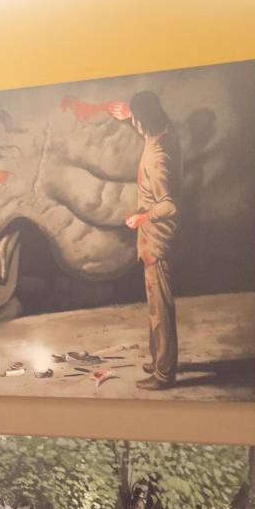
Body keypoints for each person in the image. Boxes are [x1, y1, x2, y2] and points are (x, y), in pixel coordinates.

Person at [106, 91, 181, 391]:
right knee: (155, 307)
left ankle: (164, 373)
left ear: (143, 119)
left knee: (160, 309)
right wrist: (130, 116)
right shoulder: (166, 134)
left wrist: (141, 218)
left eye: (136, 118)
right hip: (155, 239)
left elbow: (170, 205)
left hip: (157, 241)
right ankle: (158, 359)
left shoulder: (158, 157)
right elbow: (152, 124)